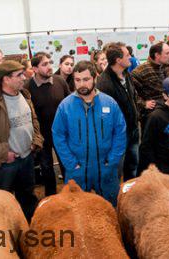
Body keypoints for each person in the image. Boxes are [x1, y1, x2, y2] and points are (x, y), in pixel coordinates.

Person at [53, 61, 126, 206]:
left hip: (106, 168)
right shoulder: (65, 106)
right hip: (77, 169)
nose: (81, 84)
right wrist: (71, 164)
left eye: (86, 79)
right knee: (76, 210)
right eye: (77, 80)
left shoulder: (109, 103)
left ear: (94, 78)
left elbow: (120, 133)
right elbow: (58, 135)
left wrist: (111, 161)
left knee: (110, 208)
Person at [0, 60, 43, 220]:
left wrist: (36, 141)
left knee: (27, 197)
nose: (24, 78)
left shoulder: (25, 96)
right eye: (19, 75)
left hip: (27, 158)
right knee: (2, 202)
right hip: (4, 164)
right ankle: (4, 235)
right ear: (6, 79)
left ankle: (29, 230)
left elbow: (33, 120)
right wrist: (4, 152)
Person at [27, 52, 71, 196]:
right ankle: (51, 198)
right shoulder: (28, 88)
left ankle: (71, 194)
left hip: (62, 134)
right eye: (44, 64)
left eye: (49, 63)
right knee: (46, 168)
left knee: (66, 164)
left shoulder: (60, 81)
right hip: (42, 135)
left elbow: (70, 104)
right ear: (34, 68)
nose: (49, 67)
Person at [96, 42, 141, 181]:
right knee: (116, 171)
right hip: (117, 135)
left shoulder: (126, 74)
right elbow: (104, 116)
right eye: (127, 55)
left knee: (133, 165)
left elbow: (133, 98)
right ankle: (113, 199)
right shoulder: (104, 84)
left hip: (133, 129)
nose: (130, 57)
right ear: (118, 60)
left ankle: (130, 192)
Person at [132, 42, 169, 121]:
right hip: (150, 116)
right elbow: (131, 92)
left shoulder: (164, 67)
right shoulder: (140, 71)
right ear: (157, 55)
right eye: (167, 53)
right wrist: (143, 103)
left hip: (165, 112)